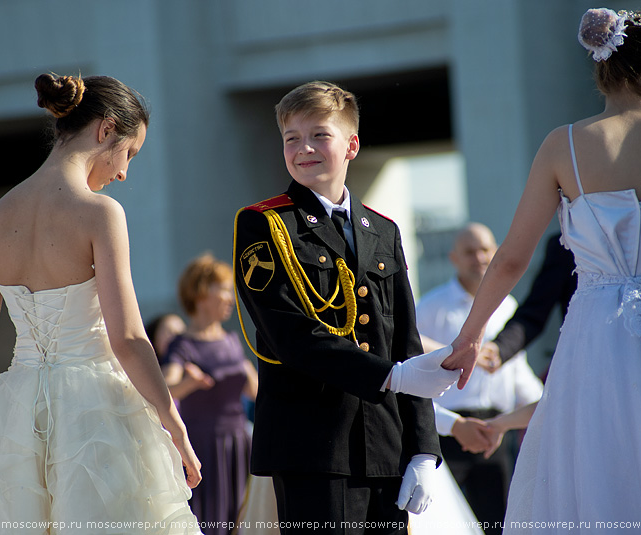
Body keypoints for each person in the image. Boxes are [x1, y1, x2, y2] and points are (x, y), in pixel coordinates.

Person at [443, 8, 641, 530]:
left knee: (597, 472)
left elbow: (512, 259)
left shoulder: (561, 145)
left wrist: (471, 335)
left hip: (596, 334)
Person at [0, 72, 202, 534]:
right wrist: (172, 421)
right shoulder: (100, 214)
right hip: (94, 407)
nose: (124, 172)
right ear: (105, 130)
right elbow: (127, 337)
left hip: (19, 412)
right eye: (129, 153)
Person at [233, 80, 458, 533]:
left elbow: (405, 342)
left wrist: (422, 447)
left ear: (352, 145)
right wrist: (389, 376)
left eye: (319, 135)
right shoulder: (265, 224)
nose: (303, 149)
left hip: (386, 445)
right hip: (312, 447)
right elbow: (289, 335)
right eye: (291, 138)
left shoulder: (383, 230)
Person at [415, 223, 543, 535]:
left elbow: (517, 374)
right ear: (453, 258)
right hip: (445, 430)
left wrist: (540, 405)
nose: (479, 257)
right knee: (445, 524)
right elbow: (415, 367)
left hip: (494, 433)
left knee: (499, 522)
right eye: (470, 252)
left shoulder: (508, 305)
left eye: (485, 249)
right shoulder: (430, 307)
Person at [163, 253, 257, 535]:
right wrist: (190, 384)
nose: (231, 298)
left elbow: (254, 391)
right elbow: (164, 391)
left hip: (240, 443)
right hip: (203, 447)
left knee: (243, 518)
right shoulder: (182, 345)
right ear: (201, 292)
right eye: (225, 290)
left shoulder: (231, 341)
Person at [477, 233, 576, 373]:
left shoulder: (508, 304)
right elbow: (535, 311)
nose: (480, 259)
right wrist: (499, 348)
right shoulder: (567, 244)